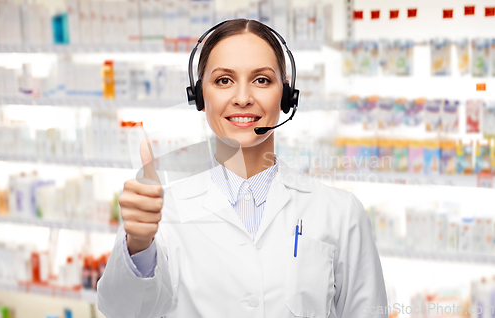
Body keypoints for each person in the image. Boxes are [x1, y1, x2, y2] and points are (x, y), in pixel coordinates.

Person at [97, 18, 387, 318]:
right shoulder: (162, 212)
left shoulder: (340, 213)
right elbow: (122, 310)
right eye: (224, 80)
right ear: (199, 96)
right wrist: (139, 244)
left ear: (286, 95)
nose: (243, 98)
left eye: (262, 80)